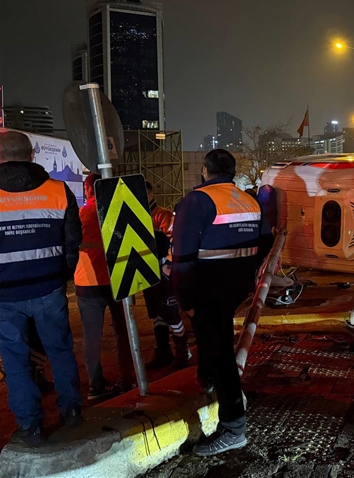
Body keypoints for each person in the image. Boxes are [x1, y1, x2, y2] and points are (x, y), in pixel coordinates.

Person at [172, 149, 273, 456]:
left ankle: (233, 427)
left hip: (207, 289)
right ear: (231, 172)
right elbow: (266, 239)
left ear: (205, 171)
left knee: (219, 352)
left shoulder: (197, 201)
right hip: (236, 287)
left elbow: (183, 258)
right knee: (215, 337)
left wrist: (185, 298)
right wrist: (245, 265)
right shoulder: (248, 200)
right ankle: (207, 378)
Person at [0, 131, 84, 447]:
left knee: (15, 361)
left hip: (4, 296)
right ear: (32, 155)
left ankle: (31, 426)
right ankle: (72, 410)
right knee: (60, 351)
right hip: (49, 289)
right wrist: (62, 275)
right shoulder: (58, 190)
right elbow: (72, 241)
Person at [74, 173, 136, 400]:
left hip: (86, 283)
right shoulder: (116, 212)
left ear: (88, 189)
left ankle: (95, 386)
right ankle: (128, 379)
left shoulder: (79, 215)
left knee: (91, 338)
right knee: (124, 333)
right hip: (117, 280)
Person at [142, 181, 190, 370]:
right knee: (156, 313)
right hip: (148, 272)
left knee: (170, 313)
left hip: (163, 272)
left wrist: (169, 266)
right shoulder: (139, 215)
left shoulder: (162, 215)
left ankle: (182, 351)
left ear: (151, 194)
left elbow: (175, 241)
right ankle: (163, 351)